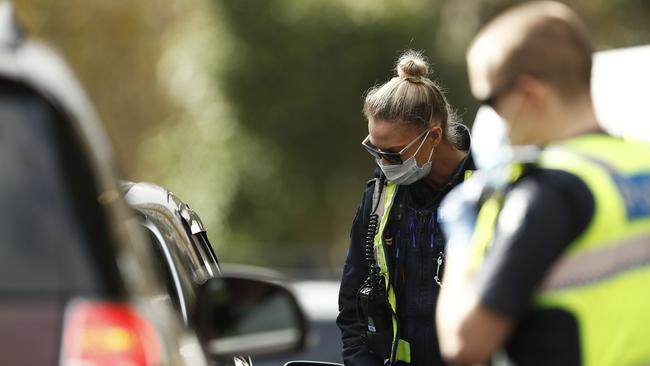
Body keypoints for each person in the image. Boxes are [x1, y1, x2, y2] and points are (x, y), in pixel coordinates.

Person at [436, 2, 650, 365]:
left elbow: (465, 343)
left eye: (490, 99)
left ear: (530, 93)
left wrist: (461, 238)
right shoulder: (639, 162)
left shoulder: (546, 193)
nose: (488, 114)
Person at [337, 50, 475, 366]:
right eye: (375, 151)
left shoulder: (491, 192)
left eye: (394, 154)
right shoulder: (378, 199)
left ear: (434, 136)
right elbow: (352, 310)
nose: (384, 164)